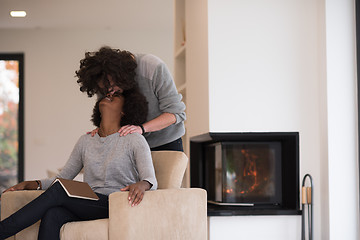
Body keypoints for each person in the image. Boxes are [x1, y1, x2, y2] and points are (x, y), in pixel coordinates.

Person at [0, 89, 157, 240]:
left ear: (125, 110)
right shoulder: (85, 141)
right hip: (89, 203)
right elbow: (63, 177)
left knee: (60, 191)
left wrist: (143, 184)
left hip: (116, 203)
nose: (109, 94)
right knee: (53, 214)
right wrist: (33, 184)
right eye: (108, 93)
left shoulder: (134, 139)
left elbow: (150, 179)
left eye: (116, 96)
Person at [76, 46, 186, 151]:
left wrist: (141, 129)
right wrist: (101, 131)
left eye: (113, 86)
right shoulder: (104, 83)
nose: (110, 92)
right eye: (105, 89)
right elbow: (109, 117)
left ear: (121, 75)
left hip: (166, 141)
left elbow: (175, 114)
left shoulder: (152, 67)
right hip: (130, 144)